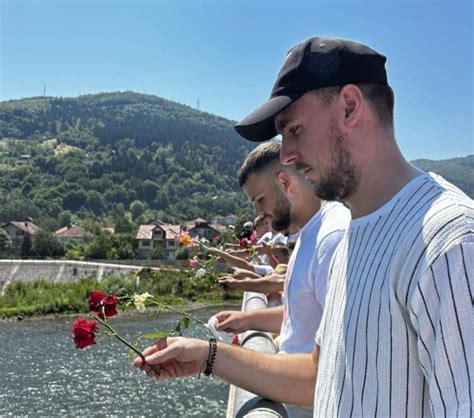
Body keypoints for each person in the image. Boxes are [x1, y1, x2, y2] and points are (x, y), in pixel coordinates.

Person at [135, 36, 473, 417]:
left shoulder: (450, 242)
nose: (287, 155)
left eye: (293, 129)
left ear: (349, 106)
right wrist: (206, 356)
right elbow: (320, 377)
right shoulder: (354, 232)